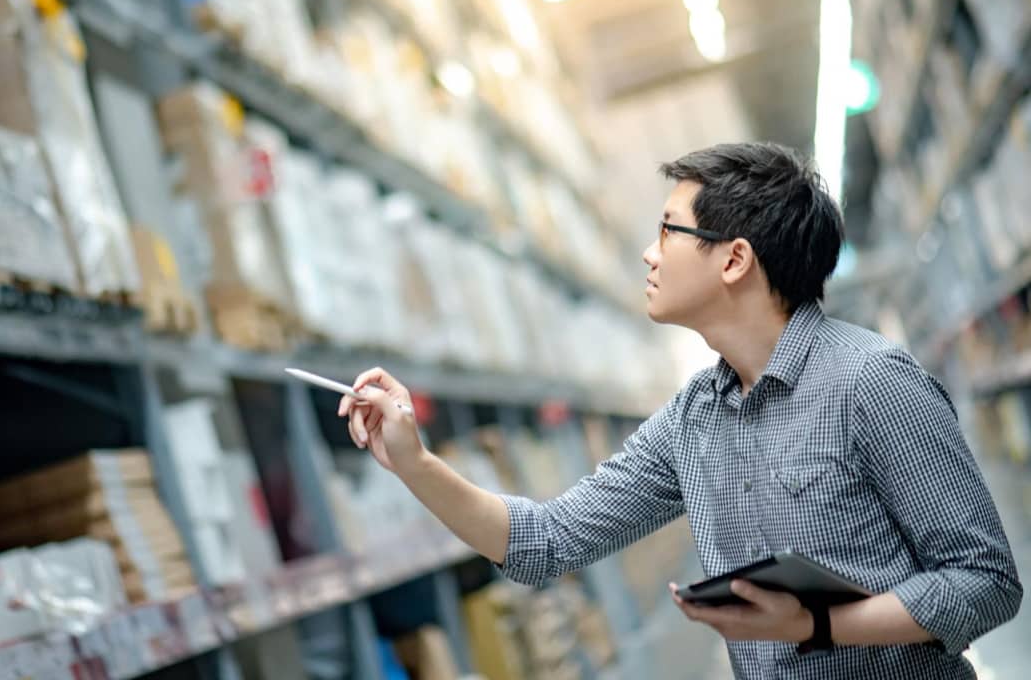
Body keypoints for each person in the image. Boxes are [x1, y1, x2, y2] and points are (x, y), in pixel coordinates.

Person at [337, 142, 1022, 679]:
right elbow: (546, 542)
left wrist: (817, 626)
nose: (647, 253)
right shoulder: (695, 418)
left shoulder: (872, 383)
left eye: (667, 231)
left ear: (734, 260)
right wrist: (415, 463)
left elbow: (986, 582)